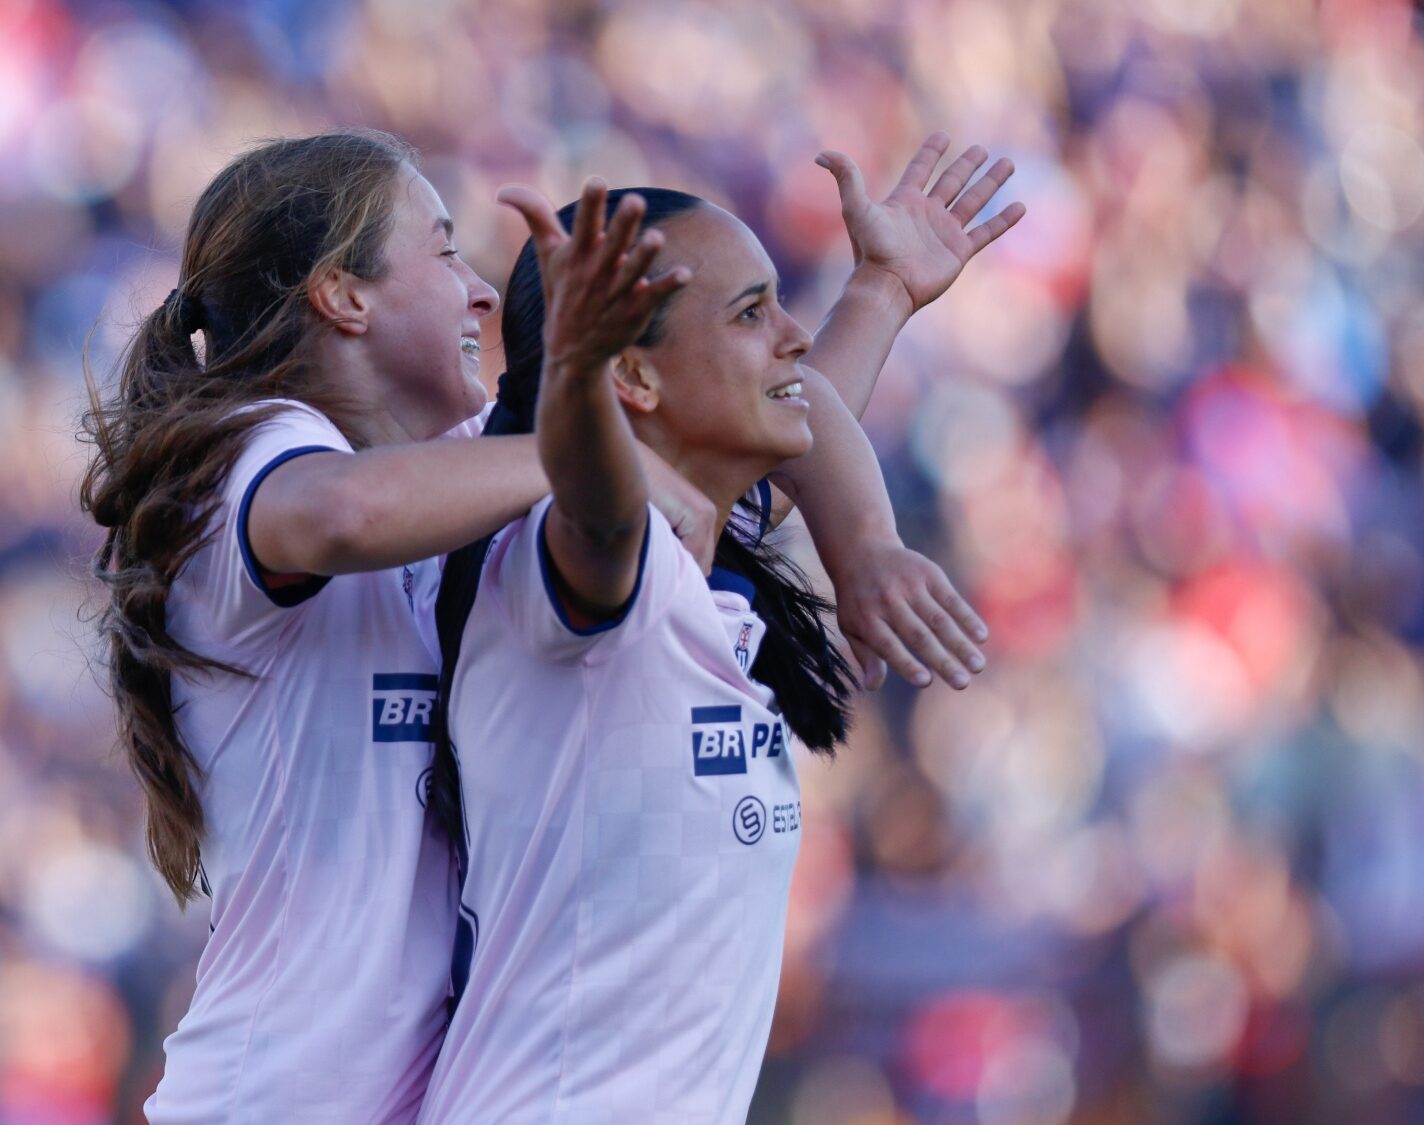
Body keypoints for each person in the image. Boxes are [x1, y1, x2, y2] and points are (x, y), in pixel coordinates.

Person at [85, 128, 1008, 1122]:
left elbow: (752, 433)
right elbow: (339, 512)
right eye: (442, 252)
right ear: (341, 295)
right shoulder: (253, 457)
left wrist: (863, 525)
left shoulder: (462, 482)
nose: (481, 291)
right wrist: (595, 446)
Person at [418, 166, 1021, 1122]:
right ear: (633, 374)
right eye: (750, 313)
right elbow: (602, 510)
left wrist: (884, 288)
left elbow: (803, 399)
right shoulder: (575, 564)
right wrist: (576, 381)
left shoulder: (704, 555)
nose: (791, 334)